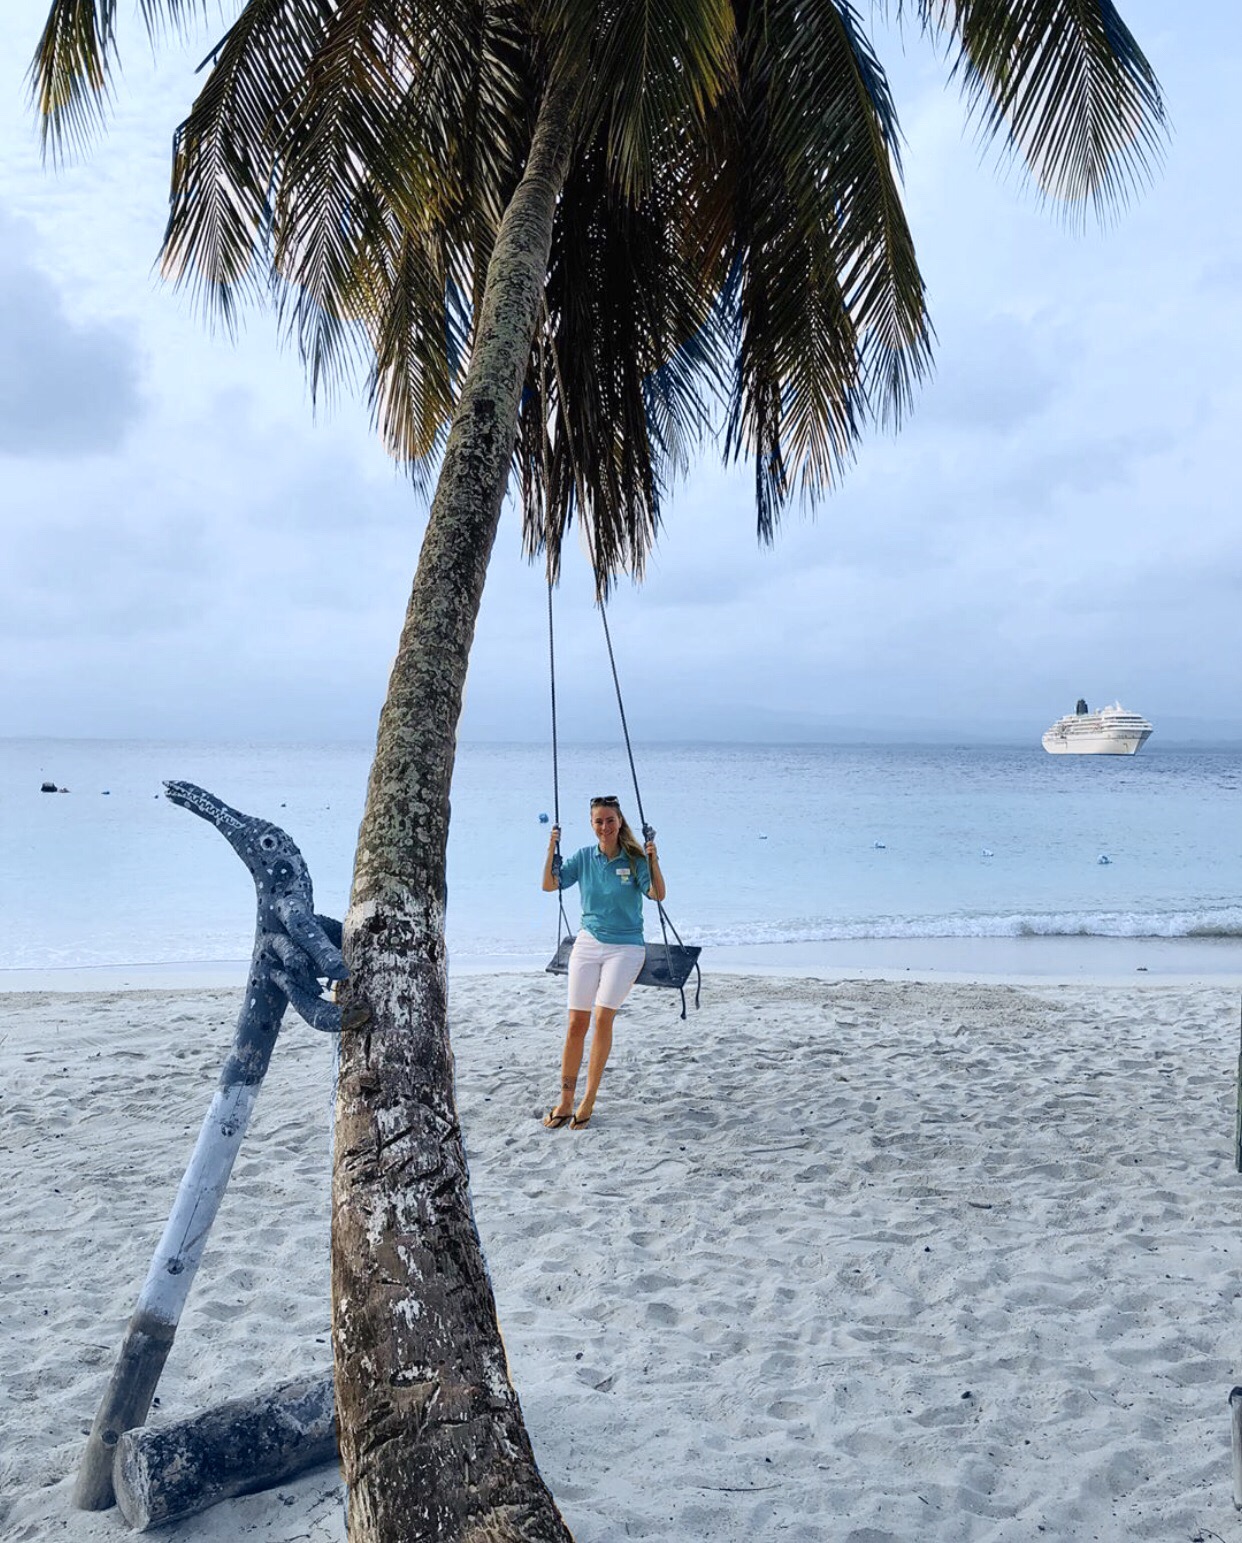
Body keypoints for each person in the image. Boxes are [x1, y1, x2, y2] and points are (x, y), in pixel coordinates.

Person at [540, 795, 666, 1129]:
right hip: (589, 942)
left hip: (625, 947)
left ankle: (589, 1097)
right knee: (575, 1023)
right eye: (598, 821)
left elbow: (657, 894)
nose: (605, 827)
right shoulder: (583, 857)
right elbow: (550, 884)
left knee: (602, 1017)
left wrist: (653, 859)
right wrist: (551, 847)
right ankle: (565, 1099)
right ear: (591, 824)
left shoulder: (635, 858)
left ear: (620, 822)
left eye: (610, 820)